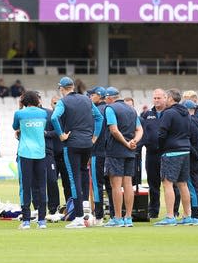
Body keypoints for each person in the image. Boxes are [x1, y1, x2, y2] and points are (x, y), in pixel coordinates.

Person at [51, 77, 103, 229]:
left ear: (61, 89)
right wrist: (94, 137)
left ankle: (79, 217)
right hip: (87, 144)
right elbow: (99, 117)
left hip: (72, 144)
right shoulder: (87, 100)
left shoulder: (63, 101)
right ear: (73, 87)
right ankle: (86, 208)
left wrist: (61, 135)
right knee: (84, 172)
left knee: (74, 179)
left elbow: (54, 117)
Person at [153, 89, 195, 226]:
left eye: (165, 97)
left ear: (170, 98)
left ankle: (170, 216)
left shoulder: (168, 113)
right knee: (183, 183)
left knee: (167, 183)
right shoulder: (186, 113)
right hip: (185, 150)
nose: (164, 100)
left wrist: (160, 147)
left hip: (171, 152)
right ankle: (187, 215)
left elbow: (161, 133)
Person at [103, 87, 143, 227]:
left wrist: (126, 143)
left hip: (115, 151)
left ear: (109, 98)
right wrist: (134, 141)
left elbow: (113, 129)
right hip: (130, 152)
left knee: (116, 186)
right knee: (128, 185)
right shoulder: (131, 109)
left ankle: (118, 218)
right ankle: (128, 217)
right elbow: (139, 129)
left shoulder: (110, 108)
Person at [13, 90, 48, 229]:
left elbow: (15, 126)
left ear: (24, 101)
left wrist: (20, 108)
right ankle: (42, 220)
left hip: (25, 152)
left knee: (25, 186)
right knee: (41, 186)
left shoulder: (20, 113)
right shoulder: (43, 113)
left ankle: (26, 220)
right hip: (40, 152)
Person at [139, 88, 167, 219]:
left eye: (159, 98)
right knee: (153, 183)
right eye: (155, 98)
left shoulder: (170, 113)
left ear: (165, 98)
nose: (156, 100)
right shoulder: (146, 114)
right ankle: (153, 210)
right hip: (151, 154)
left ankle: (174, 210)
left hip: (167, 153)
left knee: (171, 183)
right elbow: (141, 132)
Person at [87, 86, 112, 225]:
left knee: (97, 185)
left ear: (98, 95)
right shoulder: (109, 109)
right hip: (110, 153)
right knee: (111, 184)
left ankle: (99, 216)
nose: (90, 98)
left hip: (98, 152)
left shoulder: (95, 111)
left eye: (92, 95)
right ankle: (114, 214)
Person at [42, 95, 63, 222]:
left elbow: (59, 132)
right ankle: (52, 208)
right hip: (50, 154)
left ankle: (67, 207)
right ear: (51, 104)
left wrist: (46, 134)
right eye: (54, 103)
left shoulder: (64, 117)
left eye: (58, 103)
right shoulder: (49, 116)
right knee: (51, 180)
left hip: (61, 154)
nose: (56, 105)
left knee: (63, 183)